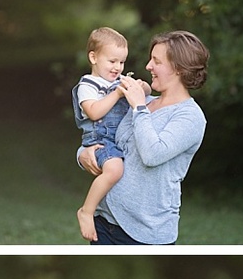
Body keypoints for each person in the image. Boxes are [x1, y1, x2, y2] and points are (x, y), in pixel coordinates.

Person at [78, 30, 210, 245]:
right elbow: (106, 138)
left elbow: (152, 154)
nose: (148, 66)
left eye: (156, 61)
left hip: (146, 234)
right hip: (104, 222)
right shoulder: (143, 101)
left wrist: (139, 107)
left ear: (177, 68)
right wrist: (83, 154)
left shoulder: (190, 117)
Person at [72, 27, 152, 242]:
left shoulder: (118, 81)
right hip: (99, 141)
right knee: (115, 170)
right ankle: (87, 211)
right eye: (112, 61)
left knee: (120, 169)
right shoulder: (87, 85)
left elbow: (146, 92)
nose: (118, 67)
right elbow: (94, 111)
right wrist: (117, 93)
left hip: (117, 142)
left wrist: (141, 86)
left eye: (122, 62)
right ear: (93, 57)